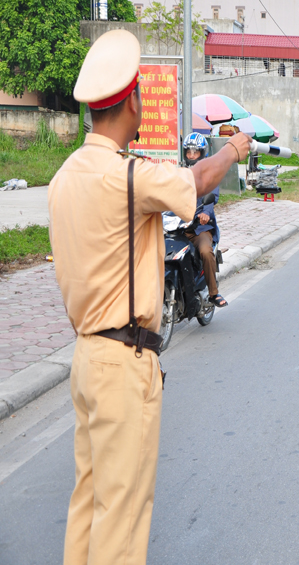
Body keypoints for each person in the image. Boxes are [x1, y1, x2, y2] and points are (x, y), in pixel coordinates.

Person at [49, 29, 252, 565]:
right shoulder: (125, 176)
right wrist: (234, 146)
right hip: (122, 362)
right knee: (123, 513)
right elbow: (198, 178)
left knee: (89, 502)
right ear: (133, 100)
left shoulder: (65, 176)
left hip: (86, 357)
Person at [182, 133, 227, 307]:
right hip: (179, 228)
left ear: (203, 153)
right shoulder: (179, 173)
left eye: (196, 152)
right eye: (189, 152)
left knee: (206, 251)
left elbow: (212, 195)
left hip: (199, 228)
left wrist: (205, 213)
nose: (192, 156)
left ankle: (213, 293)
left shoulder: (209, 176)